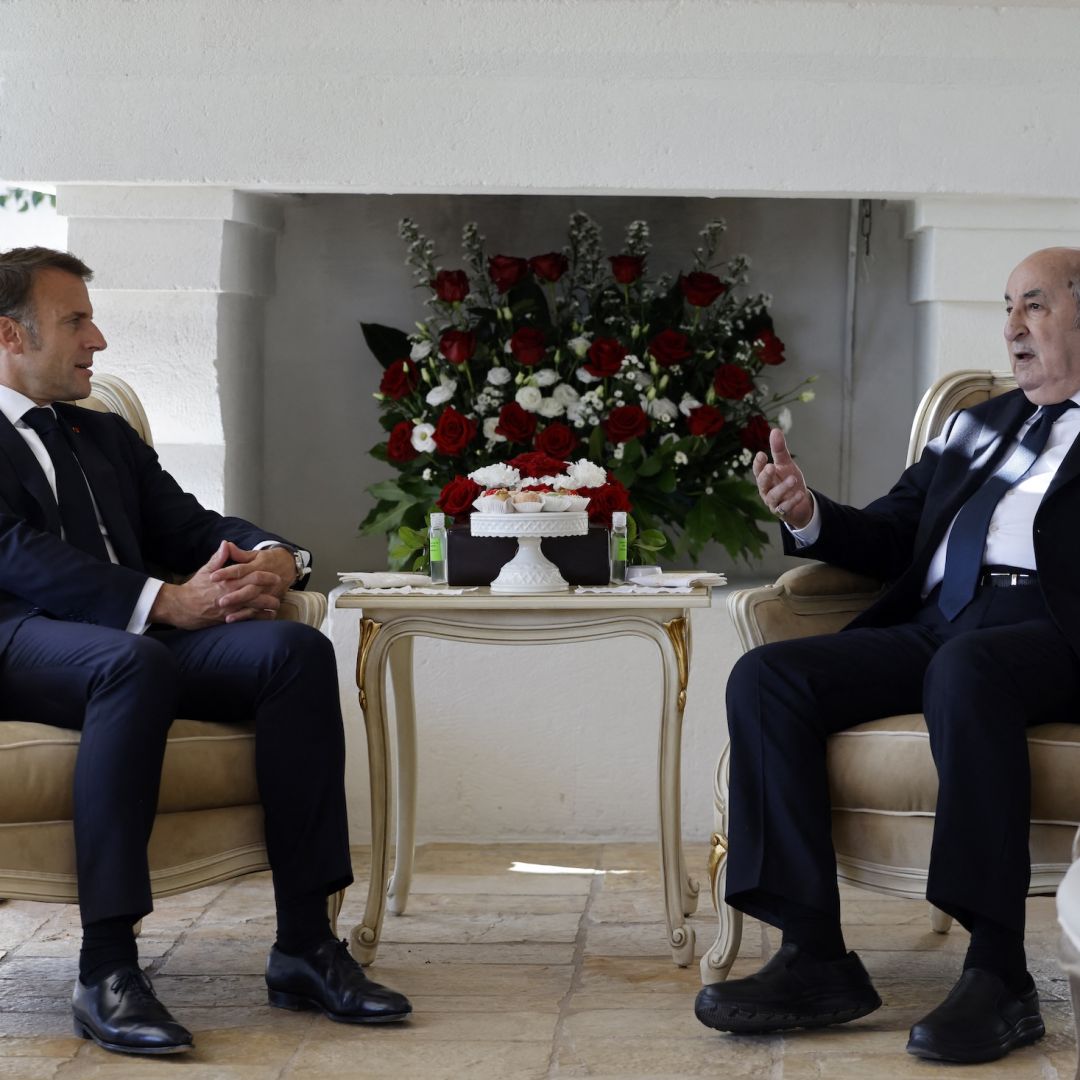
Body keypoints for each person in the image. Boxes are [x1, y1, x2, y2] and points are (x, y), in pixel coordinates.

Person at [0, 247, 411, 1056]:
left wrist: (279, 556)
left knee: (292, 652)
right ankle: (107, 968)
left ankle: (304, 946)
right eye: (76, 321)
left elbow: (190, 527)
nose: (99, 339)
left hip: (131, 642)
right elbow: (14, 554)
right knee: (135, 662)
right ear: (10, 336)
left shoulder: (101, 431)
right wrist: (167, 602)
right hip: (18, 640)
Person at [694, 246, 1080, 1064]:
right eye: (1007, 305)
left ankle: (999, 972)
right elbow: (893, 533)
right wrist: (809, 516)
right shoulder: (978, 424)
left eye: (1035, 305)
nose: (1011, 327)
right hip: (945, 620)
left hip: (1055, 628)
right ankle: (815, 958)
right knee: (770, 677)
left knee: (966, 669)